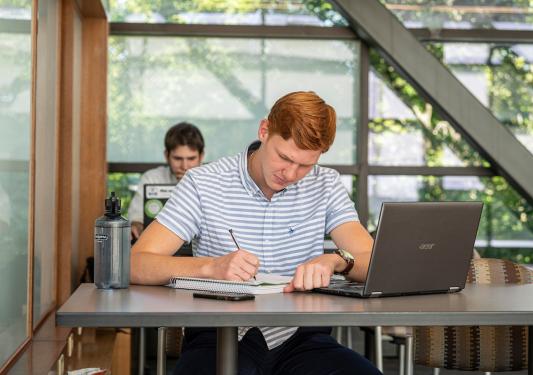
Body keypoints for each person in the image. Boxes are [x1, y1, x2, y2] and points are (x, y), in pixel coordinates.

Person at [131, 91, 380, 375]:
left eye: (305, 165)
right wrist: (211, 266)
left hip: (302, 340)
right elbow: (136, 263)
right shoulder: (203, 183)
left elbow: (374, 260)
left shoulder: (325, 184)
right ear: (264, 131)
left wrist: (336, 261)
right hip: (220, 338)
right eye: (284, 158)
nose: (290, 174)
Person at [128, 122, 205, 240]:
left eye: (191, 158)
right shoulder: (152, 178)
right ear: (166, 155)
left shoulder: (213, 180)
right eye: (178, 158)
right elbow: (137, 219)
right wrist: (136, 226)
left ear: (201, 156)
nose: (184, 166)